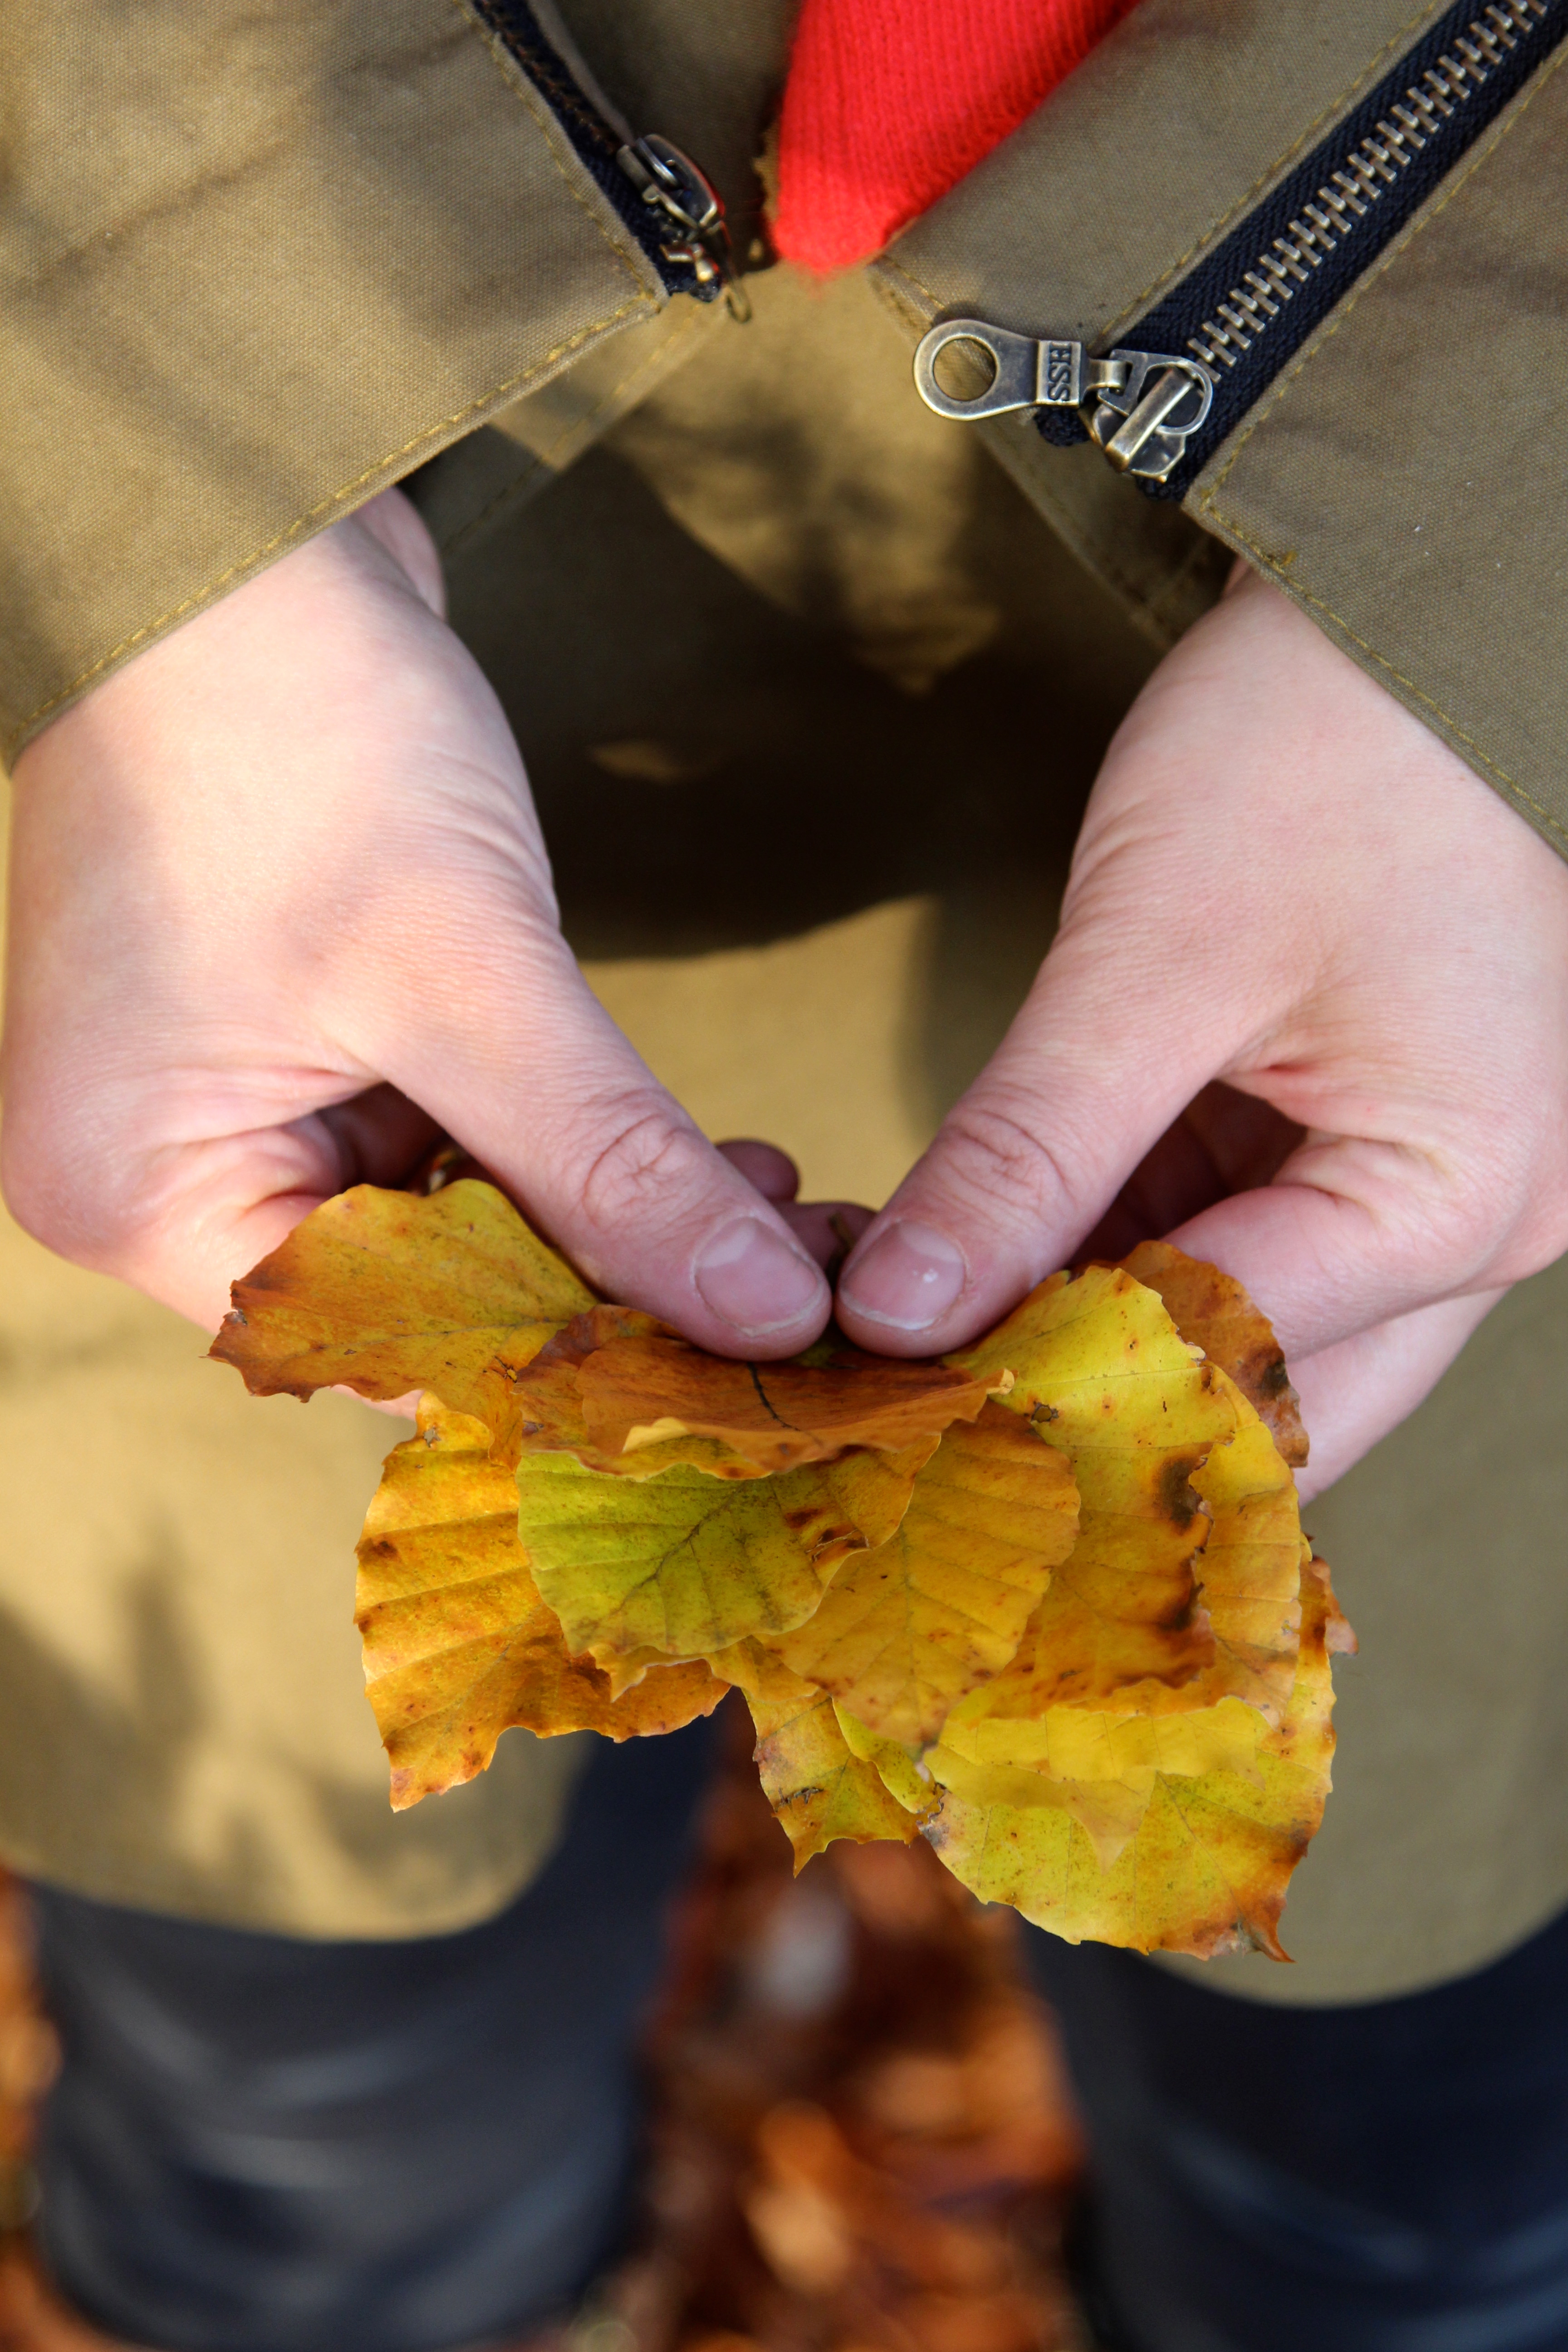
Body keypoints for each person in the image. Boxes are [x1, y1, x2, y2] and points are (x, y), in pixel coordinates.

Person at [3, 0, 1568, 2344]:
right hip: (230, 781)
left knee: (1392, 2165)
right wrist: (114, 443)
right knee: (314, 2113)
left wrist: (1512, 579)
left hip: (1428, 878)